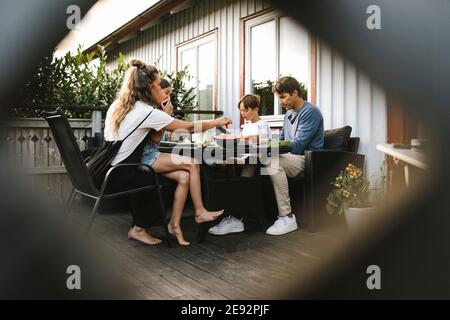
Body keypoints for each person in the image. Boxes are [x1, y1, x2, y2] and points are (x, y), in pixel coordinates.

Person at [104, 58, 231, 246]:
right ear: (148, 88)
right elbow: (187, 128)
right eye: (158, 85)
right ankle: (199, 212)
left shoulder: (119, 105)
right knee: (193, 163)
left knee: (183, 176)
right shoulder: (146, 112)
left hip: (111, 168)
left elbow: (151, 139)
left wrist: (164, 116)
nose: (162, 91)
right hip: (125, 172)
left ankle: (174, 225)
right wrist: (217, 121)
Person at [264, 76, 324, 235]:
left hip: (309, 159)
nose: (281, 102)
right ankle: (245, 217)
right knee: (257, 159)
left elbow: (297, 146)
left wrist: (271, 147)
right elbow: (282, 140)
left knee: (272, 161)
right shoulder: (288, 114)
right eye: (279, 98)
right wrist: (266, 144)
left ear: (295, 93)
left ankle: (287, 217)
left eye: (283, 97)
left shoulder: (310, 112)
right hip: (292, 156)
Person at [208, 94, 271, 235]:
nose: (242, 114)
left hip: (256, 162)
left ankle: (236, 219)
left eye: (245, 110)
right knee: (220, 166)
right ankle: (230, 216)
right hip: (244, 159)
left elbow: (264, 143)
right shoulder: (247, 125)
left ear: (255, 109)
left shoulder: (263, 125)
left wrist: (249, 140)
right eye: (241, 111)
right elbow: (241, 144)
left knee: (240, 182)